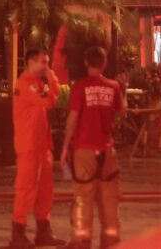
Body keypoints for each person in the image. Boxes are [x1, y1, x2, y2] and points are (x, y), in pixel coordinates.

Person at [60, 46, 125, 249]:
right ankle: (111, 243)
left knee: (82, 200)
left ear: (86, 63)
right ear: (104, 63)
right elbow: (122, 113)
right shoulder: (113, 87)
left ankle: (81, 242)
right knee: (109, 202)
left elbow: (73, 118)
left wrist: (64, 147)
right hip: (107, 152)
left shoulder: (79, 87)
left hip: (84, 151)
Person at [10, 47, 65, 248]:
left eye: (47, 62)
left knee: (45, 191)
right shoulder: (25, 84)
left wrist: (50, 81)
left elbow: (49, 101)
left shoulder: (34, 83)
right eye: (43, 62)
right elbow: (50, 101)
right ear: (31, 62)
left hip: (41, 145)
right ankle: (18, 233)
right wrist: (53, 80)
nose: (46, 66)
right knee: (26, 189)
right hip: (29, 146)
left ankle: (43, 231)